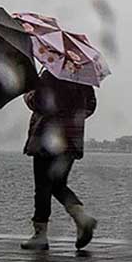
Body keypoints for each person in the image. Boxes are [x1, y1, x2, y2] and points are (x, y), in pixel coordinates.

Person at [20, 70, 97, 250]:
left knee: (43, 186)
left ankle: (40, 234)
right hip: (71, 140)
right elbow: (91, 106)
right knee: (57, 184)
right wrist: (71, 116)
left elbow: (39, 102)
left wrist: (28, 94)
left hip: (47, 139)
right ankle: (81, 218)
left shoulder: (49, 75)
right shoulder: (83, 78)